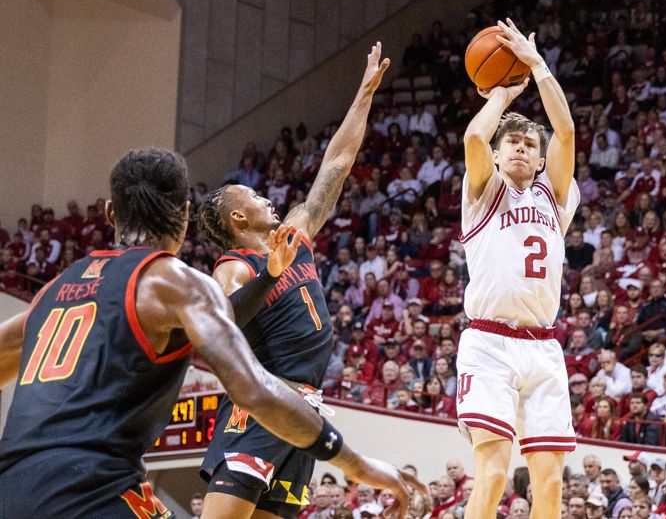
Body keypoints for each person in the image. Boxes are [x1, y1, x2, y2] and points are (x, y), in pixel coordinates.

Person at [0, 149, 423, 517]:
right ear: (184, 213)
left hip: (10, 486)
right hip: (91, 489)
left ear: (112, 212)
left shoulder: (54, 291)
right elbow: (253, 391)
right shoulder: (174, 283)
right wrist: (353, 462)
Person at [196, 44, 395, 519]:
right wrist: (269, 274)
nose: (268, 198)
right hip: (265, 400)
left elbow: (337, 164)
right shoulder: (235, 265)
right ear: (238, 216)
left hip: (305, 410)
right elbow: (221, 322)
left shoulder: (296, 235)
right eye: (255, 195)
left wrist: (364, 93)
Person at [455, 19, 578, 519]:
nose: (524, 149)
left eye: (531, 144)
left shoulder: (556, 194)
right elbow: (472, 139)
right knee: (494, 470)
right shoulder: (483, 189)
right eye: (515, 144)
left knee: (549, 482)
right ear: (500, 154)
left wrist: (538, 66)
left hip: (544, 346)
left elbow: (566, 130)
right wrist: (503, 95)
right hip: (490, 343)